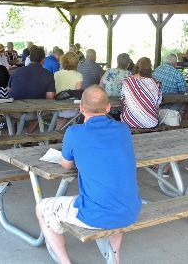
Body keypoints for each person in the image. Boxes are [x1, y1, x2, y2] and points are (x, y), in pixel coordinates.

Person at [36, 86, 141, 264]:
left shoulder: (75, 132)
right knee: (114, 197)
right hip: (130, 210)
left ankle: (64, 262)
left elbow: (66, 164)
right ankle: (115, 259)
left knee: (42, 208)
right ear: (108, 108)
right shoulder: (123, 129)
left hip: (95, 214)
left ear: (81, 108)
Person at [9, 46, 56, 133]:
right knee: (42, 111)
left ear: (29, 58)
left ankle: (19, 136)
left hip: (14, 110)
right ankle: (28, 135)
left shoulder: (16, 71)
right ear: (43, 59)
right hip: (35, 111)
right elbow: (50, 96)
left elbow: (10, 89)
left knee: (38, 110)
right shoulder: (48, 74)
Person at [120, 57, 162, 129]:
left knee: (122, 114)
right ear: (150, 68)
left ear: (136, 67)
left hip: (130, 121)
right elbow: (158, 104)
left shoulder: (127, 81)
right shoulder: (156, 83)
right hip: (151, 121)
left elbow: (123, 99)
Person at [53, 52, 83, 129]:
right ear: (76, 63)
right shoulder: (78, 75)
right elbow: (77, 91)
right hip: (71, 108)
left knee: (62, 118)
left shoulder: (56, 74)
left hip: (56, 107)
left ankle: (57, 133)